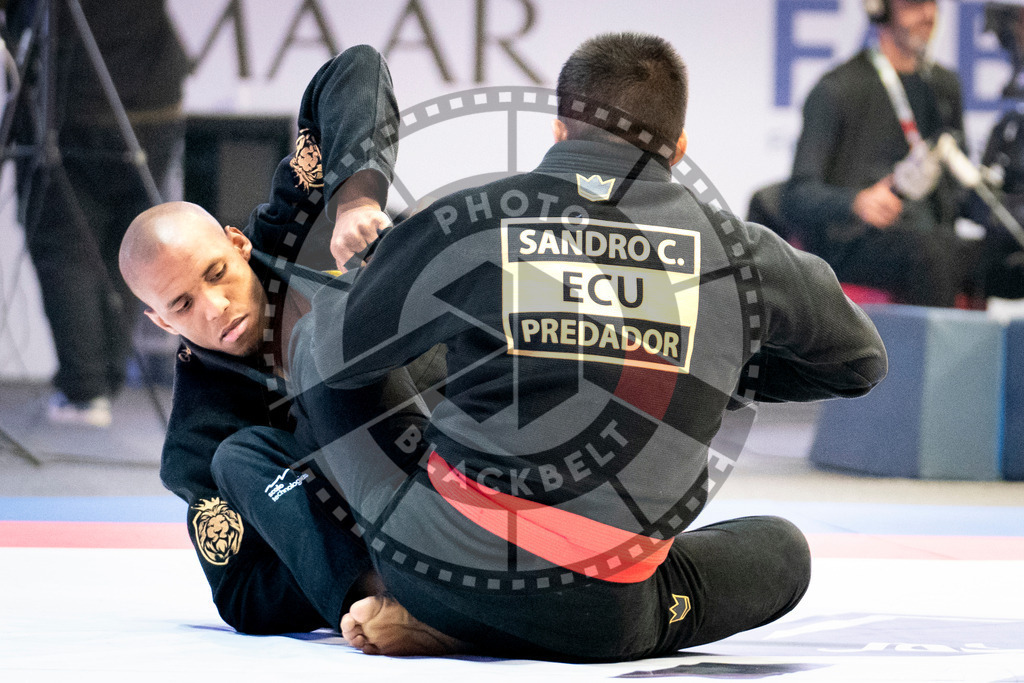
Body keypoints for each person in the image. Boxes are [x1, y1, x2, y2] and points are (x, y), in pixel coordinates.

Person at [282, 32, 887, 661]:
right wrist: (708, 363)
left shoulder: (471, 218)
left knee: (323, 334)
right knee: (784, 553)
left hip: (435, 570)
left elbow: (334, 353)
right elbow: (861, 361)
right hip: (600, 620)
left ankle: (422, 608)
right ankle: (498, 615)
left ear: (560, 132)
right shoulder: (744, 256)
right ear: (678, 150)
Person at [118, 45, 412, 635]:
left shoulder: (285, 231)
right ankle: (397, 599)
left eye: (216, 273)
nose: (216, 307)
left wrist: (355, 200)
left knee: (436, 244)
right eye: (182, 306)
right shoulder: (198, 440)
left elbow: (352, 69)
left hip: (450, 456)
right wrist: (345, 562)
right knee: (241, 456)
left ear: (237, 243)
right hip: (377, 542)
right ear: (161, 323)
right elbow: (244, 594)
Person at [6, 0, 189, 426]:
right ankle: (101, 381)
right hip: (152, 96)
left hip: (75, 101)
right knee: (127, 243)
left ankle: (86, 389)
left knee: (66, 245)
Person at [781, 0, 969, 307]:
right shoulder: (838, 88)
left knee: (1003, 255)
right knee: (932, 254)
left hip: (932, 234)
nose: (929, 14)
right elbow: (797, 195)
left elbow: (959, 189)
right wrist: (857, 202)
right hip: (855, 241)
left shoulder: (943, 87)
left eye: (934, 2)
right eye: (914, 3)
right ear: (879, 7)